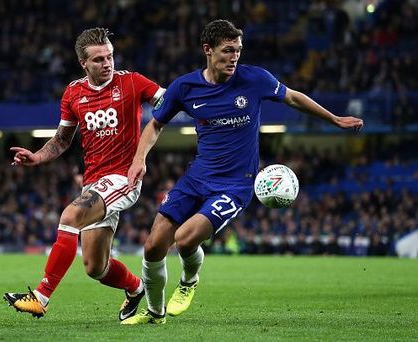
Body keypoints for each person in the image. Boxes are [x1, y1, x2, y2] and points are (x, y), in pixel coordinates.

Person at [121, 19, 363, 325]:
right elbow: (155, 124)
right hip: (196, 177)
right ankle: (155, 314)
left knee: (184, 239)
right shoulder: (185, 87)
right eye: (227, 50)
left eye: (238, 50)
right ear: (207, 50)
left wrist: (335, 119)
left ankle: (188, 282)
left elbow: (293, 97)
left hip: (235, 184)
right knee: (153, 244)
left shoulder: (254, 79)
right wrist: (139, 159)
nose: (234, 57)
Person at [3, 27, 164, 321]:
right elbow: (62, 140)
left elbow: (167, 101)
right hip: (94, 182)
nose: (107, 63)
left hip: (123, 178)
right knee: (95, 267)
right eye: (99, 59)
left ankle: (40, 297)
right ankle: (136, 288)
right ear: (83, 63)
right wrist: (37, 156)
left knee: (69, 216)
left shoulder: (132, 82)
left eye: (110, 56)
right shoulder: (74, 92)